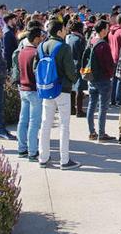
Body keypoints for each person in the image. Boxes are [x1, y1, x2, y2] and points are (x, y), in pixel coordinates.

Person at [37, 20, 80, 169]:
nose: (66, 30)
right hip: (62, 89)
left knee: (45, 124)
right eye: (64, 28)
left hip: (46, 88)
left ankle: (43, 157)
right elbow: (70, 70)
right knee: (64, 125)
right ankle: (65, 159)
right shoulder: (64, 47)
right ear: (60, 31)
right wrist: (75, 79)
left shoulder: (41, 46)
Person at [12, 27, 44, 161]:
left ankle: (22, 148)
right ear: (36, 38)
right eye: (41, 37)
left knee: (23, 120)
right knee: (34, 123)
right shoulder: (36, 53)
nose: (42, 39)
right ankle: (32, 151)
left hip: (23, 89)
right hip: (33, 90)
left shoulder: (22, 52)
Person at [86, 20, 115, 142]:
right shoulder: (103, 45)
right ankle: (101, 134)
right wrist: (111, 74)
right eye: (107, 29)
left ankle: (92, 132)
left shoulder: (91, 41)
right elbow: (108, 64)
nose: (108, 31)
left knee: (91, 105)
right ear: (103, 30)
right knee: (103, 107)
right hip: (103, 79)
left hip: (91, 77)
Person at [65, 20, 87, 117]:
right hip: (79, 64)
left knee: (72, 87)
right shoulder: (80, 39)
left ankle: (71, 109)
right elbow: (83, 54)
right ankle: (79, 110)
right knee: (79, 87)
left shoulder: (68, 38)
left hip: (70, 63)